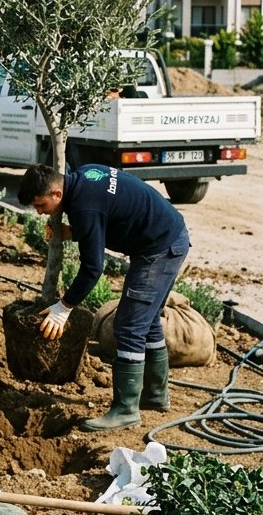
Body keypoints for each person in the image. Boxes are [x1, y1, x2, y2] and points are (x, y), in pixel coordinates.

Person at [17, 163, 190, 432]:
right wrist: (76, 232)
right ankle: (155, 396)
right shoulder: (86, 175)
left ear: (57, 194)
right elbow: (107, 214)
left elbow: (92, 268)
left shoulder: (84, 207)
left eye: (40, 205)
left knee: (129, 325)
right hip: (167, 235)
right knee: (148, 321)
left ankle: (126, 410)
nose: (39, 212)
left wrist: (64, 307)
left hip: (160, 248)